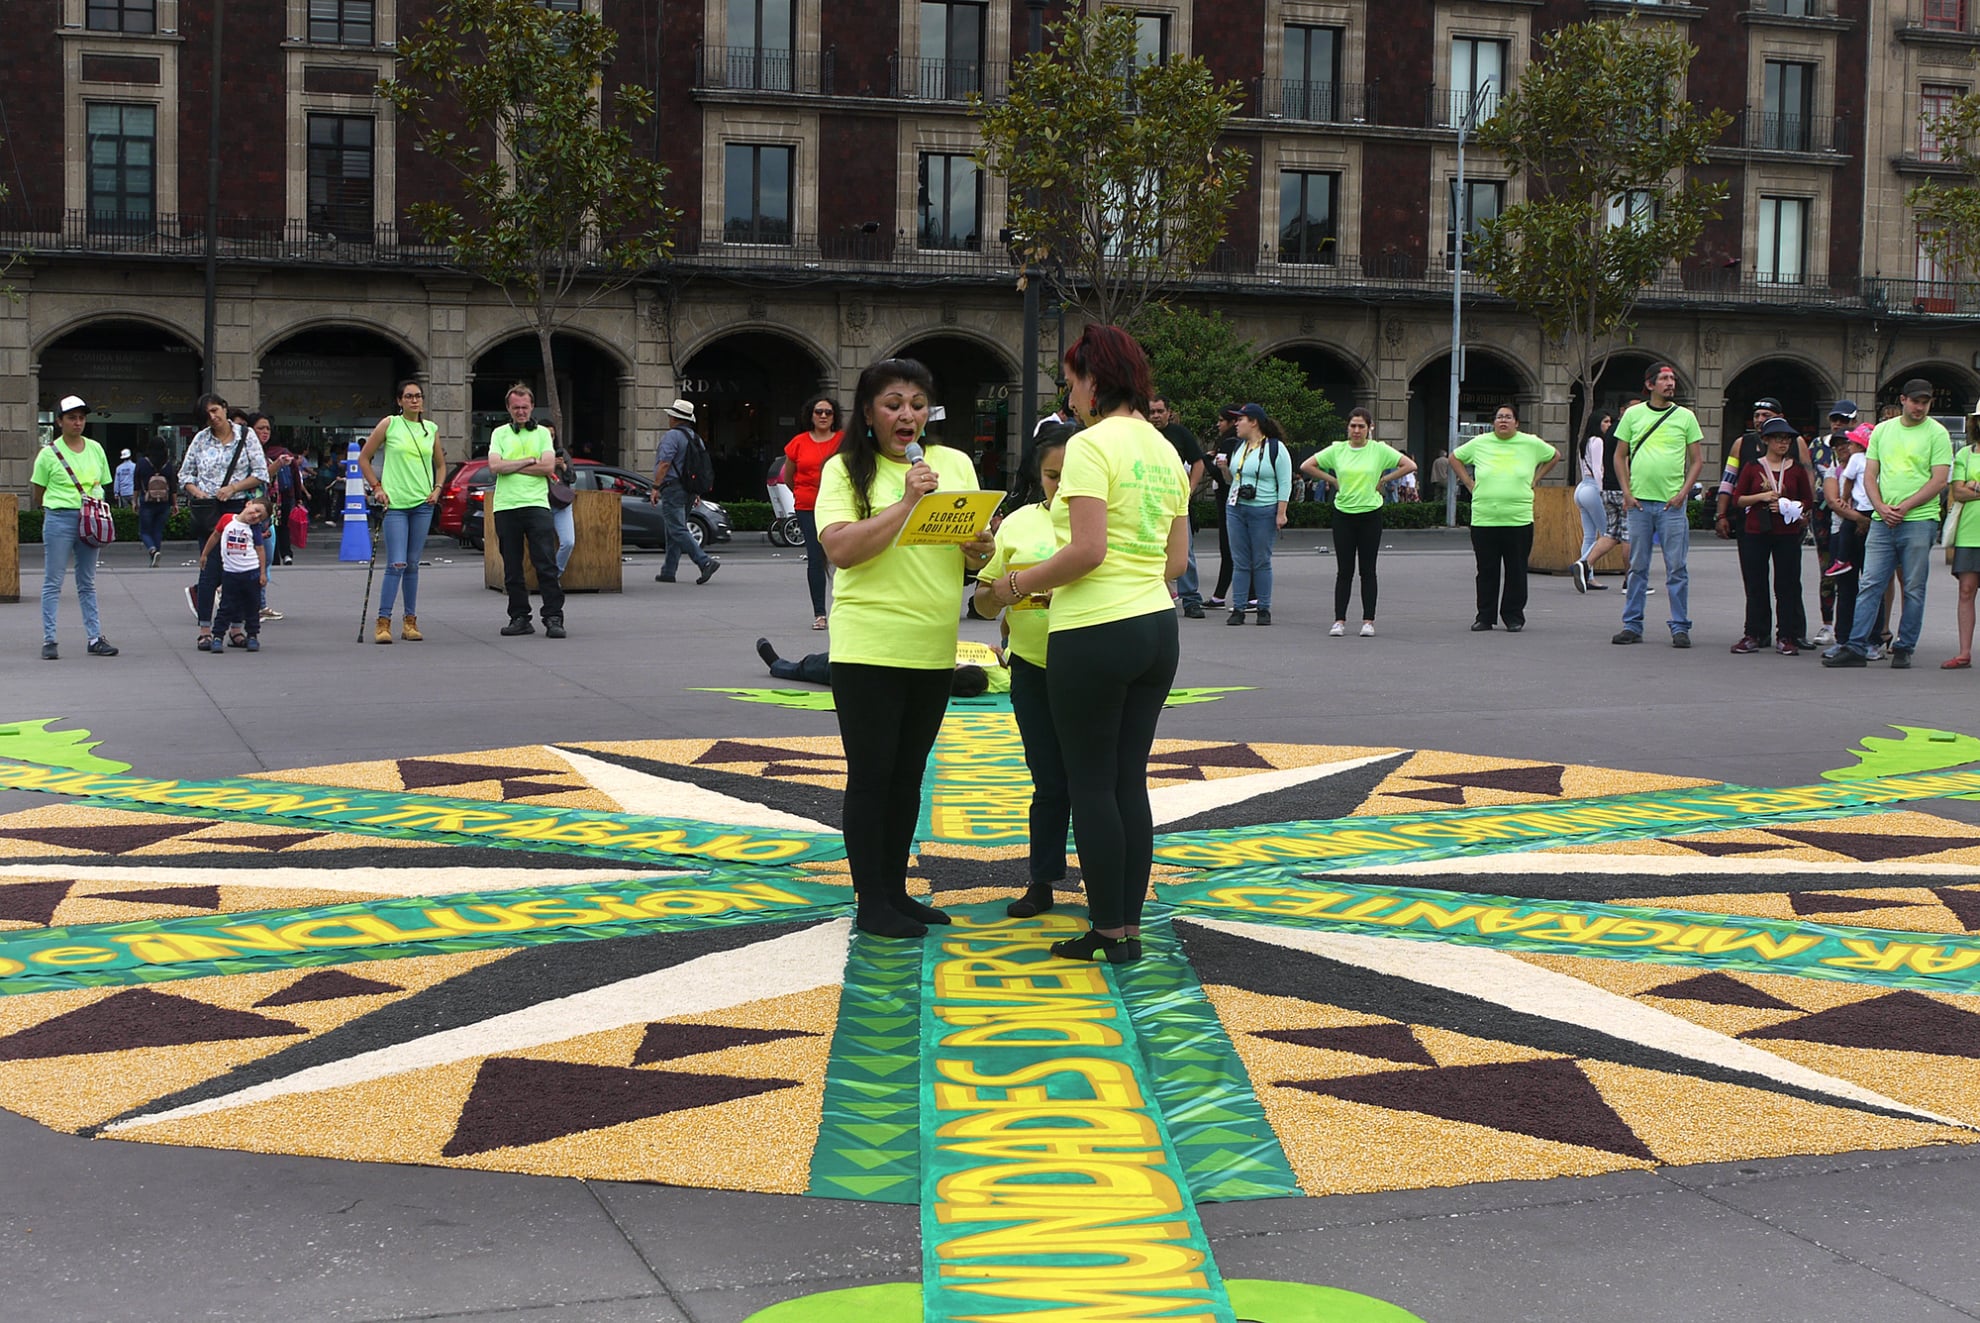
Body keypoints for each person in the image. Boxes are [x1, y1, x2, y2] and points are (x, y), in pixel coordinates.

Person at [985, 325, 1190, 967]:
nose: (1069, 394)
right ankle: (1126, 925)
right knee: (1130, 780)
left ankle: (1106, 931)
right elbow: (1177, 560)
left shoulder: (1088, 446)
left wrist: (1015, 584)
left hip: (1094, 632)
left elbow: (1085, 550)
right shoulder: (1164, 449)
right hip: (1157, 628)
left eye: (1071, 381)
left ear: (1094, 380)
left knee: (1091, 784)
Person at [816, 357, 995, 939]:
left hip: (933, 643)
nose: (907, 416)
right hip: (869, 645)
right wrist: (906, 504)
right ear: (868, 412)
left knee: (909, 774)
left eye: (918, 405)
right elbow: (841, 549)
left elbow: (968, 555)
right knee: (872, 776)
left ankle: (896, 890)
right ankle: (872, 902)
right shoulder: (845, 471)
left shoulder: (955, 464)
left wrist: (979, 550)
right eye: (894, 404)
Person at [973, 429, 1072, 920]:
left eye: (1072, 476)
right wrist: (1003, 594)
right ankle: (1043, 880)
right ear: (1038, 474)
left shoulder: (1105, 523)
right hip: (1031, 667)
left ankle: (1106, 881)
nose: (1060, 486)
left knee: (1099, 782)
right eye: (1053, 475)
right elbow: (982, 597)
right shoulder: (1017, 524)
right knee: (1049, 781)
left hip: (1093, 668)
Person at [1825, 379, 1953, 669]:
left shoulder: (1938, 433)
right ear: (1903, 400)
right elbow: (1869, 474)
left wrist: (1905, 507)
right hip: (1883, 520)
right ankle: (1856, 646)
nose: (1920, 407)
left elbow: (1939, 479)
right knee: (1870, 583)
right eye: (1915, 401)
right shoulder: (1883, 431)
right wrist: (1881, 507)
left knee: (1913, 587)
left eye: (1926, 402)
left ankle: (1904, 646)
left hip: (1919, 519)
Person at [1612, 363, 1704, 648]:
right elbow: (1619, 456)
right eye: (1664, 379)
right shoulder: (1633, 415)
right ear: (1650, 384)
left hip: (1672, 506)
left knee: (1676, 568)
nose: (1670, 383)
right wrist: (1626, 492)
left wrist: (1683, 494)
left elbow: (1697, 460)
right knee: (1638, 567)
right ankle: (1632, 624)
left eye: (1673, 378)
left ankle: (1679, 626)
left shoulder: (1686, 417)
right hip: (1639, 504)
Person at [1301, 407, 1414, 637]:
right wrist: (1332, 479)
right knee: (1344, 570)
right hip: (1343, 514)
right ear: (1347, 427)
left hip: (1370, 514)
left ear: (1369, 428)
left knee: (1367, 570)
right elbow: (1307, 465)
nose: (1356, 430)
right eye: (1353, 425)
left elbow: (1410, 465)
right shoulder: (1337, 450)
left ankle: (1368, 620)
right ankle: (1339, 620)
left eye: (1361, 426)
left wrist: (1384, 478)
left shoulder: (1379, 450)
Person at [1450, 404, 1560, 632]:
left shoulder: (1530, 443)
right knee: (1486, 570)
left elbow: (1555, 456)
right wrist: (1469, 483)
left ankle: (1513, 616)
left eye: (1508, 418)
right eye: (1499, 417)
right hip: (1485, 518)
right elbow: (1455, 458)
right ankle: (1485, 616)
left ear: (1517, 423)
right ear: (1493, 422)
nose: (1503, 421)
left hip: (1518, 518)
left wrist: (1536, 478)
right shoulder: (1481, 443)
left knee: (1516, 570)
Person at [180, 393, 269, 651]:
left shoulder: (246, 435)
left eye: (216, 410)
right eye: (207, 414)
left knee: (240, 570)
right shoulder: (200, 439)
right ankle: (206, 629)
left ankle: (237, 628)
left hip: (238, 507)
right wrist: (199, 494)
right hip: (210, 509)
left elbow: (260, 473)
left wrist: (233, 488)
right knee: (209, 570)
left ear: (225, 409)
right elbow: (185, 475)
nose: (213, 416)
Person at [33, 395, 118, 661]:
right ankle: (50, 639)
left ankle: (94, 638)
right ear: (59, 421)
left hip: (90, 518)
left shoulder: (95, 448)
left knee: (87, 582)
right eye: (71, 417)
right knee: (53, 581)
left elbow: (103, 484)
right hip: (59, 517)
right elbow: (39, 491)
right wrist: (58, 505)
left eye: (81, 417)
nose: (77, 422)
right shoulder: (48, 454)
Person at [359, 380, 444, 644]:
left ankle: (410, 621)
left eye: (418, 396)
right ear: (399, 401)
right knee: (396, 563)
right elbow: (364, 458)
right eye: (408, 396)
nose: (414, 401)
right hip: (395, 504)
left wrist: (437, 489)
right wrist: (377, 487)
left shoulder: (430, 429)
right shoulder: (389, 424)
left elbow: (440, 464)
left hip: (423, 504)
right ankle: (383, 622)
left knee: (413, 564)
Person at [487, 383, 567, 639]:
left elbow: (547, 467)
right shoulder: (499, 433)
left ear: (532, 407)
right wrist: (528, 461)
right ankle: (519, 617)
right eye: (516, 407)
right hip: (506, 506)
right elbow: (493, 466)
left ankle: (553, 617)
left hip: (536, 505)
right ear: (508, 409)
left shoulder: (543, 433)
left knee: (545, 563)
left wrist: (511, 466)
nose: (521, 412)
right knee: (512, 567)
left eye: (525, 407)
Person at [1729, 418, 1815, 655]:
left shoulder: (1795, 469)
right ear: (1766, 440)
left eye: (1786, 439)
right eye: (1778, 438)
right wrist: (1762, 497)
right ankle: (1753, 633)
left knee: (1786, 584)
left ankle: (1786, 635)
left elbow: (1808, 500)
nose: (1783, 443)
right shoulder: (1753, 467)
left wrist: (1789, 505)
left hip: (1787, 532)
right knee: (1756, 583)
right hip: (1757, 530)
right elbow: (1739, 498)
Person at [1217, 403, 1292, 626]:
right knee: (1239, 560)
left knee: (1260, 560)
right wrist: (1224, 469)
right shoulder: (1240, 446)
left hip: (1263, 509)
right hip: (1236, 507)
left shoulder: (1275, 448)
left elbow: (1285, 482)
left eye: (1241, 419)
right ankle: (1238, 608)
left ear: (1254, 422)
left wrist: (1281, 513)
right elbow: (1233, 479)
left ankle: (1263, 608)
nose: (1236, 423)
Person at [752, 637, 995, 697]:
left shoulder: (931, 675)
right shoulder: (939, 676)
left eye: (960, 665)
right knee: (815, 663)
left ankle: (777, 665)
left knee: (807, 667)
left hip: (858, 667)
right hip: (869, 658)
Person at [781, 393, 842, 628]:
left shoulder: (843, 441)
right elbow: (789, 478)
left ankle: (847, 610)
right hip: (808, 506)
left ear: (834, 416)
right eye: (819, 412)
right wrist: (804, 492)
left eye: (828, 412)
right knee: (816, 559)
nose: (823, 416)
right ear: (811, 415)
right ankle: (820, 614)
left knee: (845, 556)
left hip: (839, 504)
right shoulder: (798, 442)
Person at [649, 398, 719, 586]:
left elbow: (665, 463)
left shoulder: (672, 436)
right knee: (673, 530)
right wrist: (696, 492)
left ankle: (704, 562)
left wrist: (655, 487)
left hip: (673, 487)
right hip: (689, 490)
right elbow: (698, 468)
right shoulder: (696, 438)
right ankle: (668, 571)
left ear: (674, 418)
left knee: (677, 529)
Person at [1148, 395, 1206, 618]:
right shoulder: (1143, 435)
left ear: (1169, 412)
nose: (1156, 416)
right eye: (1152, 412)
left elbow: (1198, 461)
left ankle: (1191, 598)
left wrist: (1190, 489)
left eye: (1160, 411)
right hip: (1148, 500)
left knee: (1184, 550)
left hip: (1175, 502)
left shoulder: (1180, 434)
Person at [200, 496, 269, 654]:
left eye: (260, 517)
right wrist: (205, 554)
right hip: (231, 573)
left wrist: (262, 573)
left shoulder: (255, 528)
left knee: (252, 606)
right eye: (256, 511)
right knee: (226, 606)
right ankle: (218, 636)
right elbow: (215, 536)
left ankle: (252, 635)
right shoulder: (227, 519)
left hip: (251, 572)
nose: (255, 516)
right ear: (248, 504)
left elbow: (260, 549)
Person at [1571, 412, 1624, 592]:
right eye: (1605, 421)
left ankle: (1588, 575)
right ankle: (1583, 564)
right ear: (1597, 423)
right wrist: (1602, 492)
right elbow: (1598, 469)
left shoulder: (1584, 441)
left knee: (1589, 535)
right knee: (1609, 534)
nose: (1609, 425)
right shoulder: (1598, 441)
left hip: (1581, 488)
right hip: (1594, 487)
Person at [1944, 411, 1980, 669]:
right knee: (1966, 590)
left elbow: (1965, 490)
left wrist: (1974, 486)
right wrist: (1967, 488)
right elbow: (1957, 491)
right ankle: (1964, 652)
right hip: (1969, 532)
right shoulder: (1966, 453)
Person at [1207, 404, 1241, 607]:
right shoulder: (1233, 442)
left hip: (1228, 499)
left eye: (1221, 420)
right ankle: (1220, 594)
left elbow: (1222, 476)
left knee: (1230, 549)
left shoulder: (1229, 443)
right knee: (1230, 550)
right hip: (1227, 499)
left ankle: (1245, 595)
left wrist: (1206, 461)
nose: (1218, 424)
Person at [136, 442, 177, 568]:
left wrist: (134, 501)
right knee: (157, 531)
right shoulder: (168, 465)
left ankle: (152, 550)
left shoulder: (142, 463)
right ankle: (155, 555)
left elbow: (136, 484)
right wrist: (175, 504)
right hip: (164, 502)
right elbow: (173, 487)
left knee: (144, 531)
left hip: (147, 501)